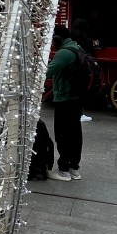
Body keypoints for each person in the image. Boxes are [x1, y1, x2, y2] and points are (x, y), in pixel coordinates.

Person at [44, 24, 84, 181]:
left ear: (57, 39)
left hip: (65, 99)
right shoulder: (76, 47)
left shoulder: (64, 53)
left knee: (62, 134)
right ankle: (74, 168)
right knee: (75, 134)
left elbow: (47, 71)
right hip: (77, 99)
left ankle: (63, 170)